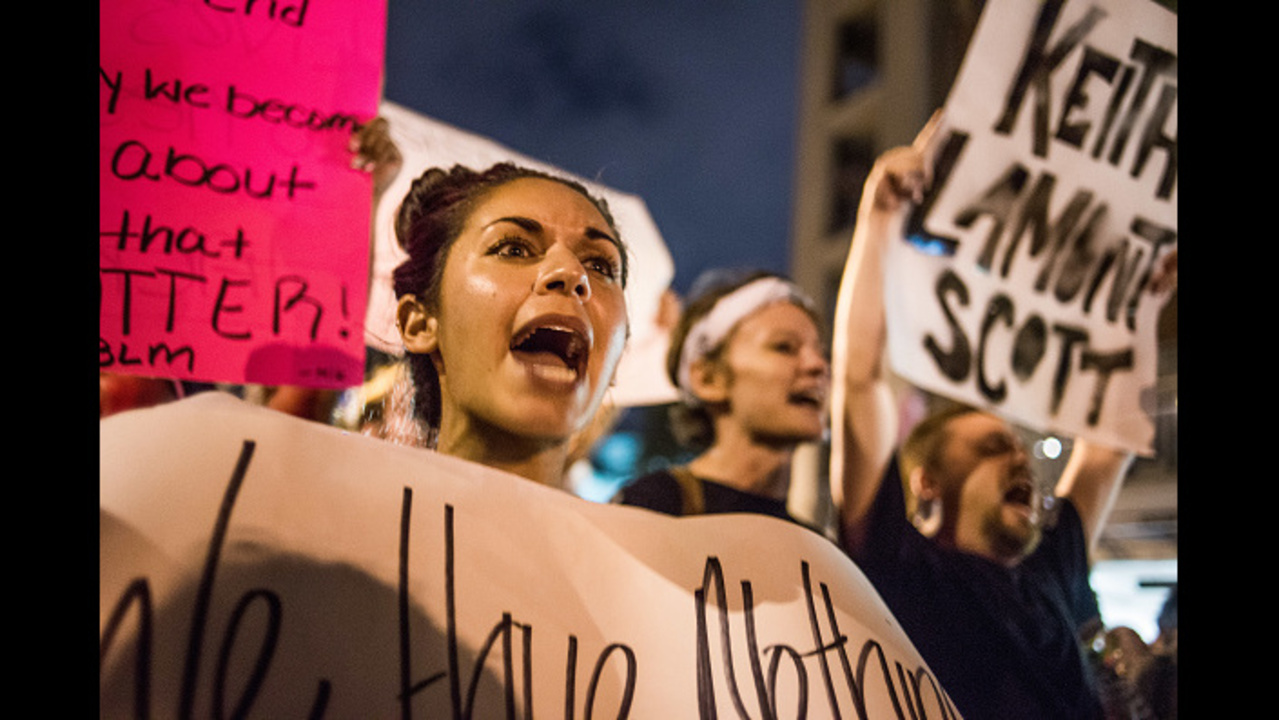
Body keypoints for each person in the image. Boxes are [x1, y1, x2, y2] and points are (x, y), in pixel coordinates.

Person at [828, 114, 1177, 719]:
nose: (1019, 457)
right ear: (926, 483)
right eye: (989, 448)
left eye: (1016, 447)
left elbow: (1109, 443)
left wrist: (1138, 308)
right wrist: (880, 219)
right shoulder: (899, 568)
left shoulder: (1053, 566)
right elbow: (860, 379)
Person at [392, 162, 630, 487]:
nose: (572, 273)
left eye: (599, 266)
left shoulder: (658, 538)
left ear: (618, 356)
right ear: (420, 324)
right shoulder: (327, 527)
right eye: (514, 249)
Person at [616, 269, 830, 528]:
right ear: (708, 379)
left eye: (822, 352)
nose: (817, 365)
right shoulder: (650, 509)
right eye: (784, 346)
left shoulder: (817, 548)